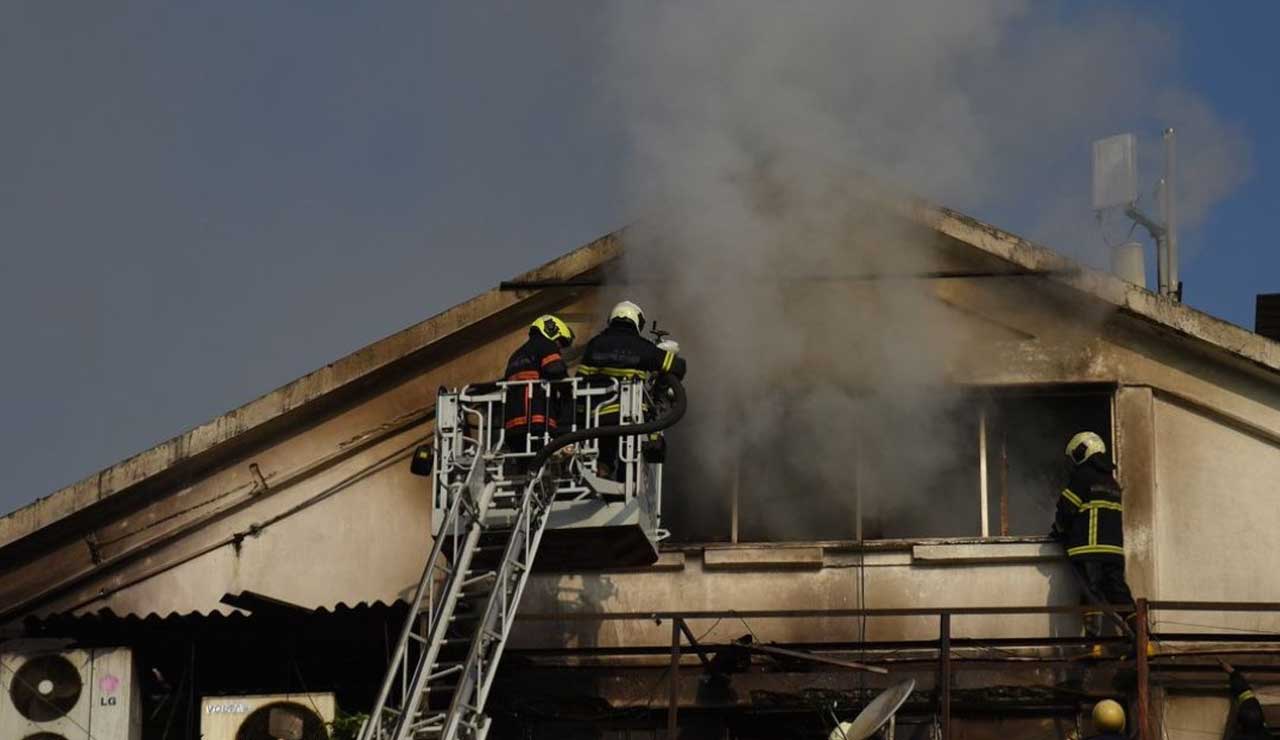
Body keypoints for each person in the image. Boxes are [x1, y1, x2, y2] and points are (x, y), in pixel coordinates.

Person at [577, 301, 686, 477]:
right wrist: (663, 386)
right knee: (629, 462)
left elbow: (580, 381)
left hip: (598, 416)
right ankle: (626, 483)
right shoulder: (643, 347)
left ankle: (602, 473)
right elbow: (678, 367)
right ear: (636, 321)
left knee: (604, 456)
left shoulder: (595, 344)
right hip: (632, 418)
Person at [1052, 431, 1136, 646]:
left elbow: (1066, 508)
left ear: (1083, 451)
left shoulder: (1083, 476)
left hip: (1088, 550)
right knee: (1119, 595)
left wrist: (1058, 530)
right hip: (1113, 553)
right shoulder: (1112, 482)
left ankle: (1093, 644)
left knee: (1090, 595)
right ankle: (1143, 641)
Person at [502, 315, 574, 466]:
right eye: (559, 342)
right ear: (552, 330)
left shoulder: (515, 355)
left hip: (513, 426)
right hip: (537, 422)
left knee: (527, 467)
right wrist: (569, 391)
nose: (559, 348)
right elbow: (555, 369)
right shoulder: (545, 345)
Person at [1220, 660, 1270, 740]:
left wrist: (1233, 673)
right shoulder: (1266, 736)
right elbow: (1245, 694)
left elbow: (1245, 693)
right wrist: (1233, 673)